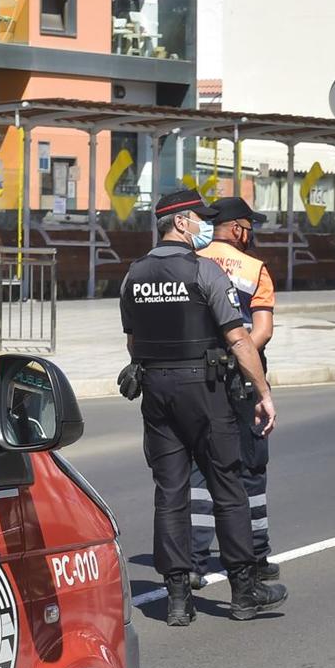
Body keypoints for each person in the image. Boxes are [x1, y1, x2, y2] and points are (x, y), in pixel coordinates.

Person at [121, 190, 289, 626]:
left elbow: (134, 342)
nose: (204, 226)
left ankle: (178, 598)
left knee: (170, 492)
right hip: (206, 389)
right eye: (198, 219)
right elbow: (237, 338)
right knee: (227, 485)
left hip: (157, 392)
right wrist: (263, 391)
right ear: (180, 223)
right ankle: (244, 592)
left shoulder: (133, 275)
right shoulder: (205, 272)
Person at [189, 196, 277, 583]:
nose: (251, 233)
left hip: (196, 376)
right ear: (239, 228)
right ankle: (254, 556)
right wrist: (239, 355)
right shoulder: (256, 269)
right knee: (249, 466)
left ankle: (193, 559)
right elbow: (262, 330)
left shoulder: (191, 260)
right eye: (250, 226)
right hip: (240, 377)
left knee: (200, 467)